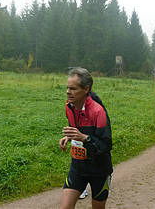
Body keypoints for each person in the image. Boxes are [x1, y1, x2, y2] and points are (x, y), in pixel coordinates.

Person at [59, 67, 113, 209]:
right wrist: (68, 137)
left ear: (86, 89)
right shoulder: (69, 107)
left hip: (99, 170)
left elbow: (106, 146)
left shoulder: (98, 111)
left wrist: (84, 138)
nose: (68, 92)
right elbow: (76, 130)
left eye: (73, 89)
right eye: (67, 88)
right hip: (78, 167)